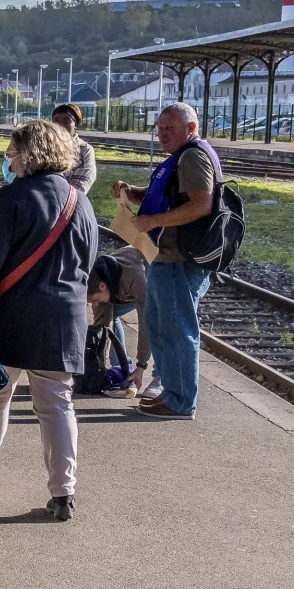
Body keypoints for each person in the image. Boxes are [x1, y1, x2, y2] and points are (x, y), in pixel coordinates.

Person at [0, 120, 98, 522]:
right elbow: (87, 264)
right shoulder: (82, 202)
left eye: (11, 153)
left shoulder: (11, 199)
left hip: (11, 317)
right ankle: (63, 494)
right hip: (64, 320)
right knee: (57, 405)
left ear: (27, 154)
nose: (7, 160)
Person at [116, 102, 223, 419]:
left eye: (170, 128)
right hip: (165, 256)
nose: (163, 134)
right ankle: (171, 393)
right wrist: (131, 193)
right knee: (160, 325)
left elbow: (201, 205)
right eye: (160, 128)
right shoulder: (180, 157)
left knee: (177, 329)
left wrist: (152, 221)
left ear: (191, 128)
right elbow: (165, 195)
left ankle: (180, 401)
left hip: (180, 259)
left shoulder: (192, 156)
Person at [88, 247, 152, 397]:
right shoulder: (97, 279)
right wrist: (99, 367)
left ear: (102, 286)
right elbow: (102, 328)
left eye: (95, 299)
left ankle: (162, 379)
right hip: (122, 289)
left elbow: (147, 323)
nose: (95, 304)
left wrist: (141, 365)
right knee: (107, 316)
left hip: (165, 280)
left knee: (164, 322)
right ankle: (123, 370)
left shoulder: (135, 277)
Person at [50, 103, 98, 193]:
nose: (60, 125)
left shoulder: (84, 150)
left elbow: (80, 187)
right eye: (55, 121)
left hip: (69, 204)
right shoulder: (42, 147)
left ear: (75, 125)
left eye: (66, 121)